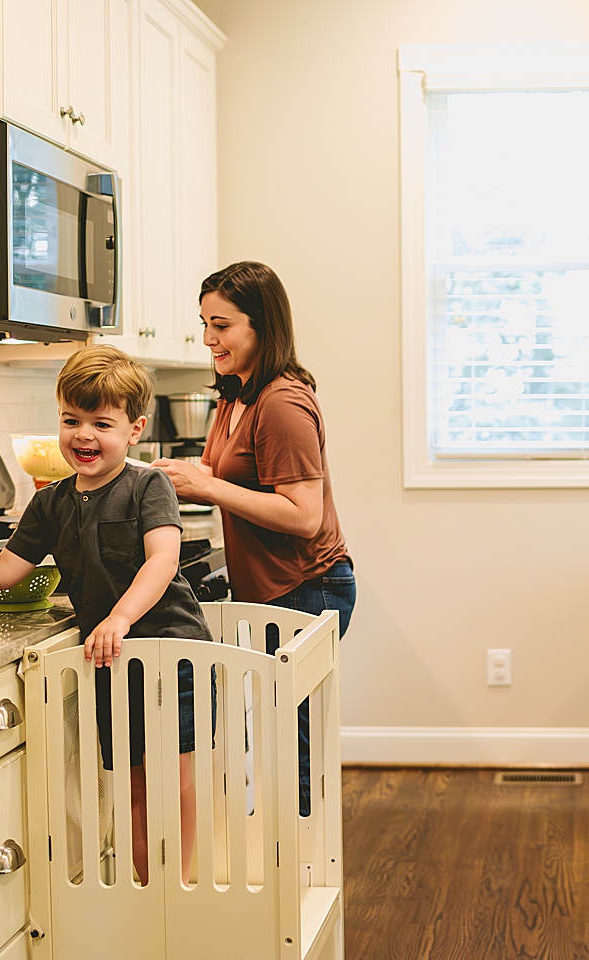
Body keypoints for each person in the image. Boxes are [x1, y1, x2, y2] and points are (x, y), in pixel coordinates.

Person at [0, 343, 211, 883]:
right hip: (112, 663)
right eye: (71, 420)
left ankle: (179, 888)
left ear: (134, 429)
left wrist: (119, 617)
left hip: (167, 654)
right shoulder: (49, 502)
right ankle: (144, 888)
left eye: (100, 423)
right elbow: (3, 572)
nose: (83, 435)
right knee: (131, 782)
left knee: (172, 777)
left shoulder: (146, 486)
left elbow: (163, 560)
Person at [154, 261, 354, 815]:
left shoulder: (282, 402)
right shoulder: (235, 394)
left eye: (222, 325)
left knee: (294, 747)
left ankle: (304, 874)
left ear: (261, 326)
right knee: (279, 737)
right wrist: (176, 480)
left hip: (308, 587)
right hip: (274, 589)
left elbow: (303, 515)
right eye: (204, 323)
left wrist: (208, 485)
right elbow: (233, 476)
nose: (208, 338)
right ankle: (284, 862)